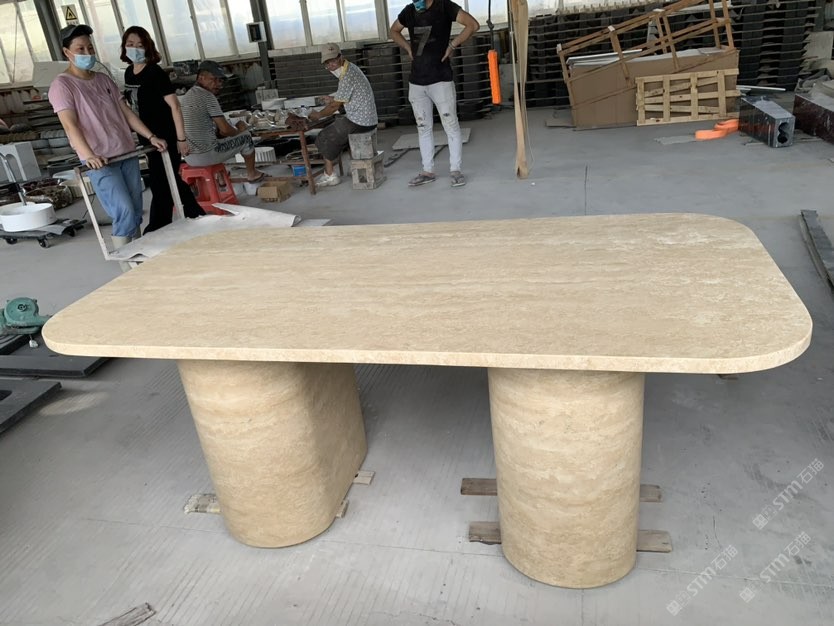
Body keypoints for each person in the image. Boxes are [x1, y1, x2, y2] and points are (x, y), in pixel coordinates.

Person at [49, 24, 166, 252]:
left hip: (125, 151)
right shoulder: (62, 86)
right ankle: (125, 262)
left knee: (136, 209)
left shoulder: (103, 80)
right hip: (100, 159)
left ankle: (138, 255)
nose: (87, 53)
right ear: (66, 52)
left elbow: (126, 113)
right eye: (80, 49)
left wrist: (150, 136)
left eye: (90, 48)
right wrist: (89, 155)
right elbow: (70, 125)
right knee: (124, 210)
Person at [121, 26, 205, 233]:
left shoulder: (154, 72)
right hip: (147, 136)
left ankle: (158, 227)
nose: (134, 49)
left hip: (165, 135)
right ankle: (197, 215)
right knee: (169, 179)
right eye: (130, 44)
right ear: (124, 47)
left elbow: (175, 106)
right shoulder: (129, 73)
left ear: (148, 48)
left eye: (140, 45)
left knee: (161, 182)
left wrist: (181, 139)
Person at [390, 0, 479, 188]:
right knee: (423, 127)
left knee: (450, 124)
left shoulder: (444, 6)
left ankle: (455, 170)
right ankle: (427, 171)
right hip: (417, 81)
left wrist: (452, 45)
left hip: (441, 79)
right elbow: (394, 31)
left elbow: (473, 25)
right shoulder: (409, 11)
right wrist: (408, 47)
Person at [308, 43, 378, 188]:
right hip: (367, 119)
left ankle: (330, 175)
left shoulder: (347, 76)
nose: (331, 65)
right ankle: (353, 168)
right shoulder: (351, 68)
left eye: (333, 60)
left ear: (341, 57)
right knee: (338, 130)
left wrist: (318, 115)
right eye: (327, 63)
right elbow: (345, 97)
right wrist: (333, 99)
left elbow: (334, 107)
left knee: (324, 136)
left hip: (360, 121)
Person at [180, 61, 264, 182]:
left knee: (217, 139)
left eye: (220, 81)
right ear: (201, 78)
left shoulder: (187, 96)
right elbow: (225, 130)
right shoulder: (207, 96)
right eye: (214, 79)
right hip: (206, 156)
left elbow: (217, 131)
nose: (218, 84)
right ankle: (252, 173)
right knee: (246, 138)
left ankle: (220, 176)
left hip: (190, 157)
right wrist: (239, 131)